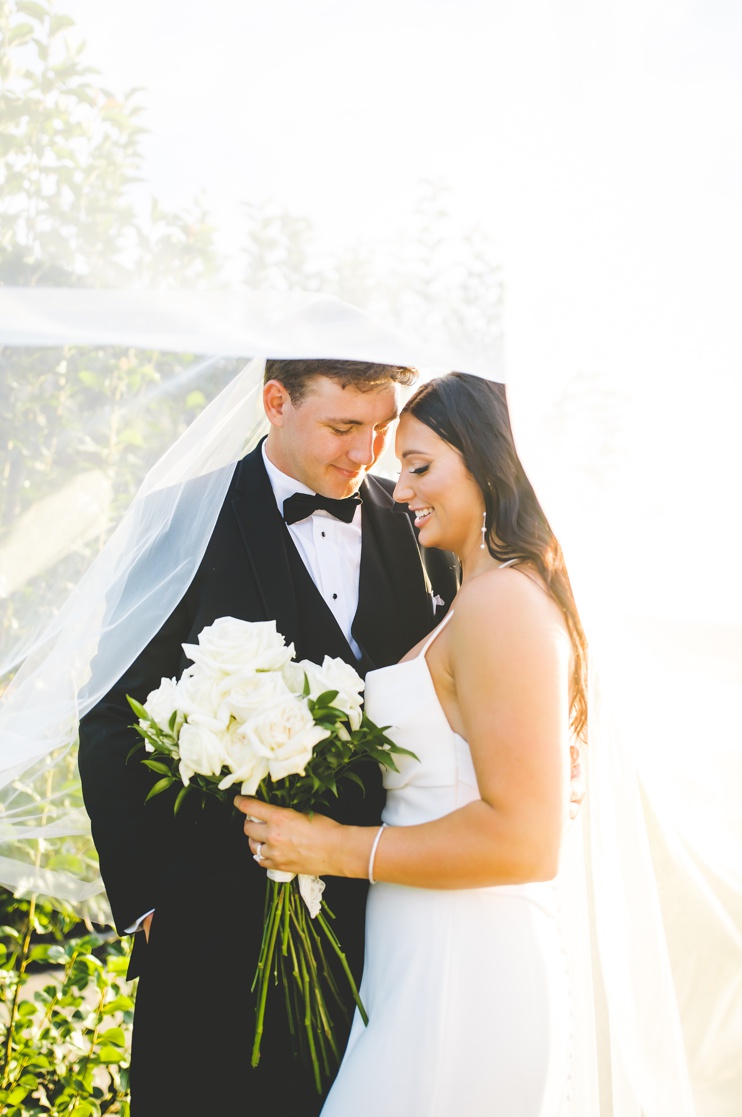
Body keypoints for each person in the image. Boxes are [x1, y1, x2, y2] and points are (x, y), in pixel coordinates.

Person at [78, 359, 460, 1116]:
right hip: (210, 935)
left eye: (382, 429)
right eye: (345, 427)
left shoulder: (418, 518)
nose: (366, 454)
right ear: (275, 402)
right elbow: (110, 709)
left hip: (388, 933)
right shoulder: (177, 518)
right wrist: (153, 900)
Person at [233, 372, 585, 1115]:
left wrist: (331, 849)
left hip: (466, 967)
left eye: (421, 466)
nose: (398, 489)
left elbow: (526, 839)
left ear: (492, 463)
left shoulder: (503, 608)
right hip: (416, 959)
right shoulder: (471, 600)